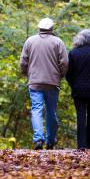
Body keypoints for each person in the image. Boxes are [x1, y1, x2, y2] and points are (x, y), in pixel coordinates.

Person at [20, 17, 68, 150]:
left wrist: (27, 74)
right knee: (51, 111)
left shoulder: (30, 41)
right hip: (52, 82)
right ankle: (51, 140)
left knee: (36, 109)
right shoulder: (58, 42)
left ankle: (38, 139)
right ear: (52, 28)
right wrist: (60, 75)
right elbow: (64, 62)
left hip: (35, 82)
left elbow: (23, 61)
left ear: (39, 27)